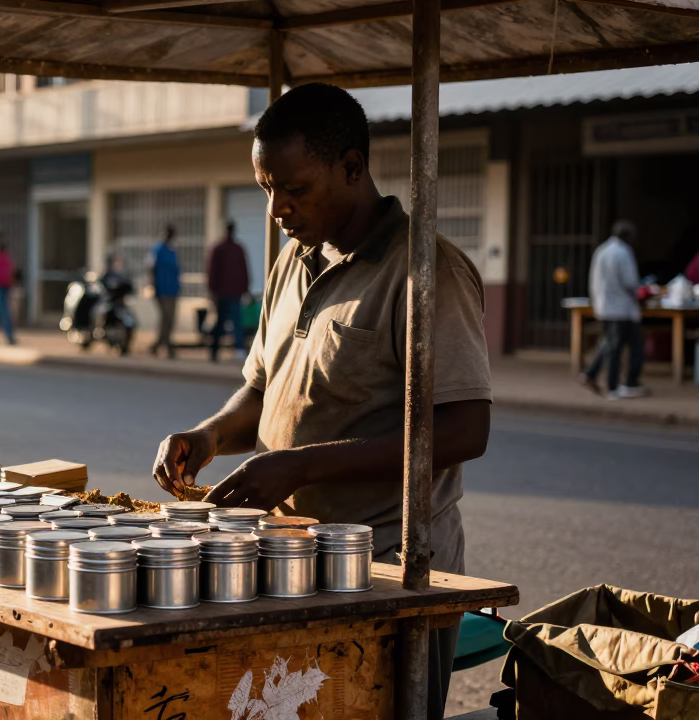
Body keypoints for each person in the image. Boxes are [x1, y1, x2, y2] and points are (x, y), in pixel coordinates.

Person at [152, 84, 491, 719]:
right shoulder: (290, 263)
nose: (278, 207)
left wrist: (302, 465)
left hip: (389, 569)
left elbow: (465, 431)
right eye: (267, 189)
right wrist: (210, 435)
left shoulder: (425, 271)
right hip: (289, 560)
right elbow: (261, 386)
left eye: (296, 189)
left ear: (352, 168)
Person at [580, 220, 648, 399]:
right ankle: (614, 386)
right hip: (621, 308)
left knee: (610, 343)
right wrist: (643, 293)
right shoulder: (623, 252)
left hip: (605, 305)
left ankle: (591, 374)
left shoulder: (602, 250)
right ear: (628, 236)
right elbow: (630, 282)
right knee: (619, 347)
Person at [207, 221, 250, 362]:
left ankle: (217, 351)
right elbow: (213, 271)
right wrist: (245, 289)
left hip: (226, 293)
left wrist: (212, 290)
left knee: (224, 323)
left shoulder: (223, 248)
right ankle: (234, 350)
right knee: (230, 322)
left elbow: (213, 271)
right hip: (229, 293)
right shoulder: (233, 249)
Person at [147, 224, 181, 358]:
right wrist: (153, 286)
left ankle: (158, 344)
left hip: (172, 290)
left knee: (169, 319)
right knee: (166, 317)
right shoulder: (157, 250)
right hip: (162, 290)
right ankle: (167, 346)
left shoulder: (172, 251)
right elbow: (151, 268)